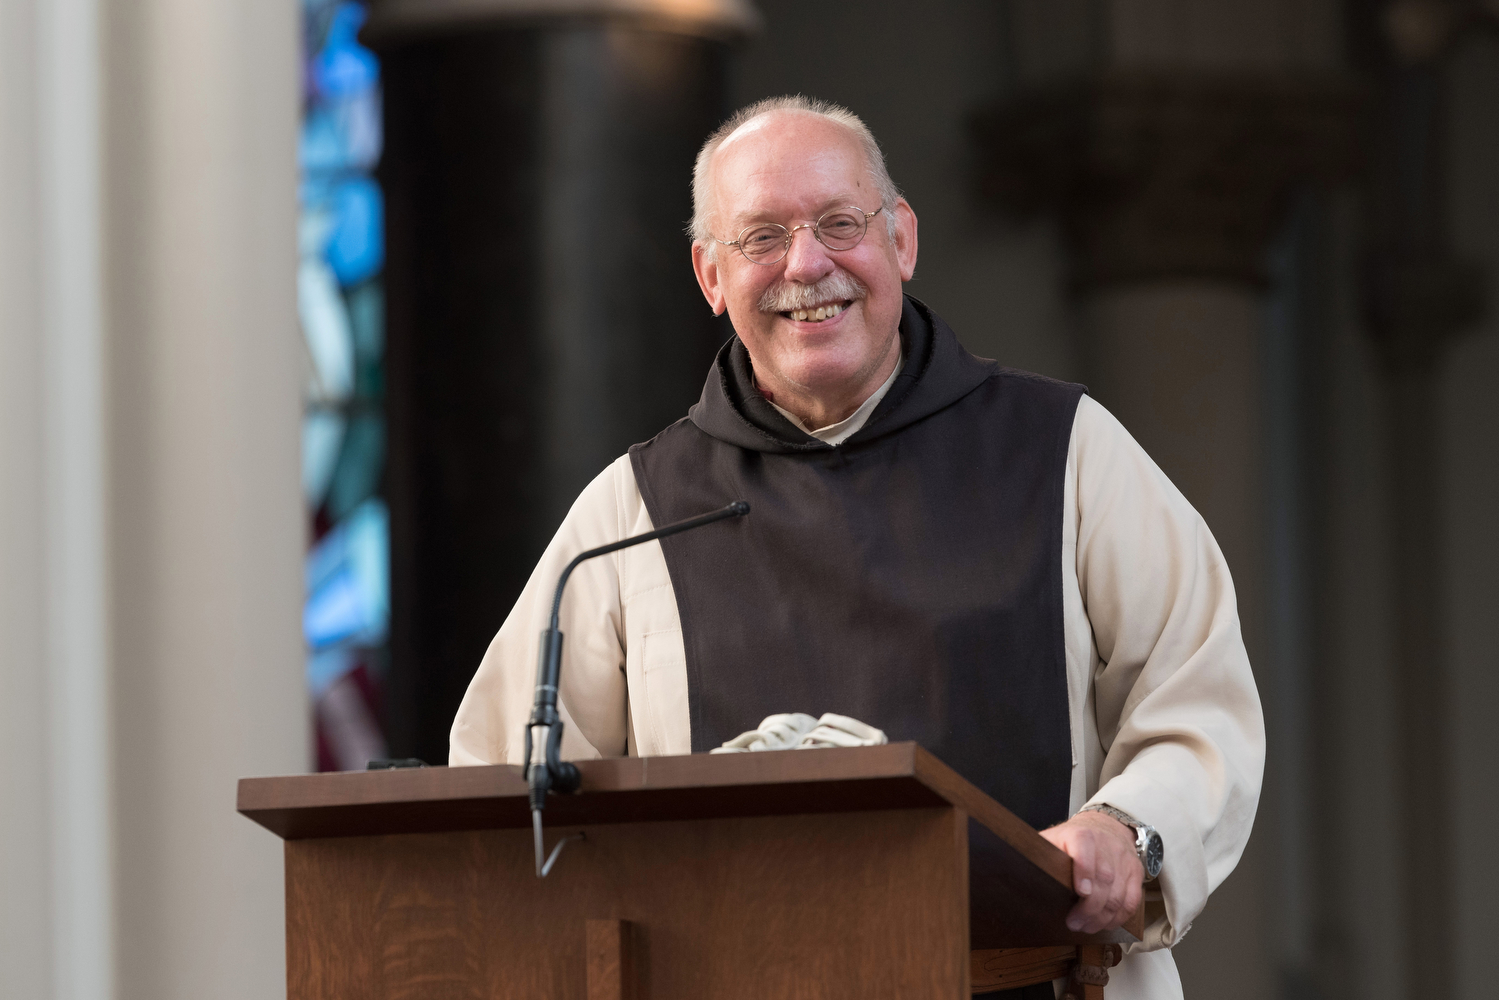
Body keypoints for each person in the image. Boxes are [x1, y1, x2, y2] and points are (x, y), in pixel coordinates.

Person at [450, 95, 1263, 1000]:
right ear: (710, 275)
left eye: (840, 223)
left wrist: (1128, 830)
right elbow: (505, 787)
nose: (807, 264)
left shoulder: (1064, 449)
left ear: (903, 241)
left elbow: (1199, 702)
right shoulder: (633, 512)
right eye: (760, 237)